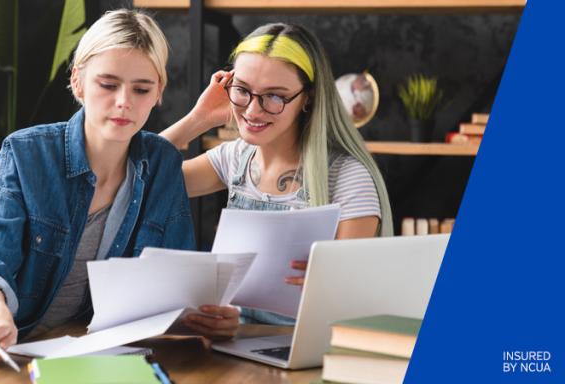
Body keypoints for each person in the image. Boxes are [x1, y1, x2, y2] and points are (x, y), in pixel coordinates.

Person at [0, 9, 233, 366]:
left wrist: (201, 315)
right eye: (108, 84)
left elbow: (177, 281)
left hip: (86, 349)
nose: (124, 102)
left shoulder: (161, 163)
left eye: (141, 89)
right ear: (78, 82)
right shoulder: (26, 153)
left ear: (158, 92)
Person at [164, 23, 394, 328]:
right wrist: (198, 118)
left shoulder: (347, 176)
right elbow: (141, 178)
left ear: (308, 98)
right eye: (242, 90)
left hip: (304, 351)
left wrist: (330, 282)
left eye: (275, 96)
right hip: (234, 347)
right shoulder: (235, 157)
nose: (253, 111)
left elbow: (348, 304)